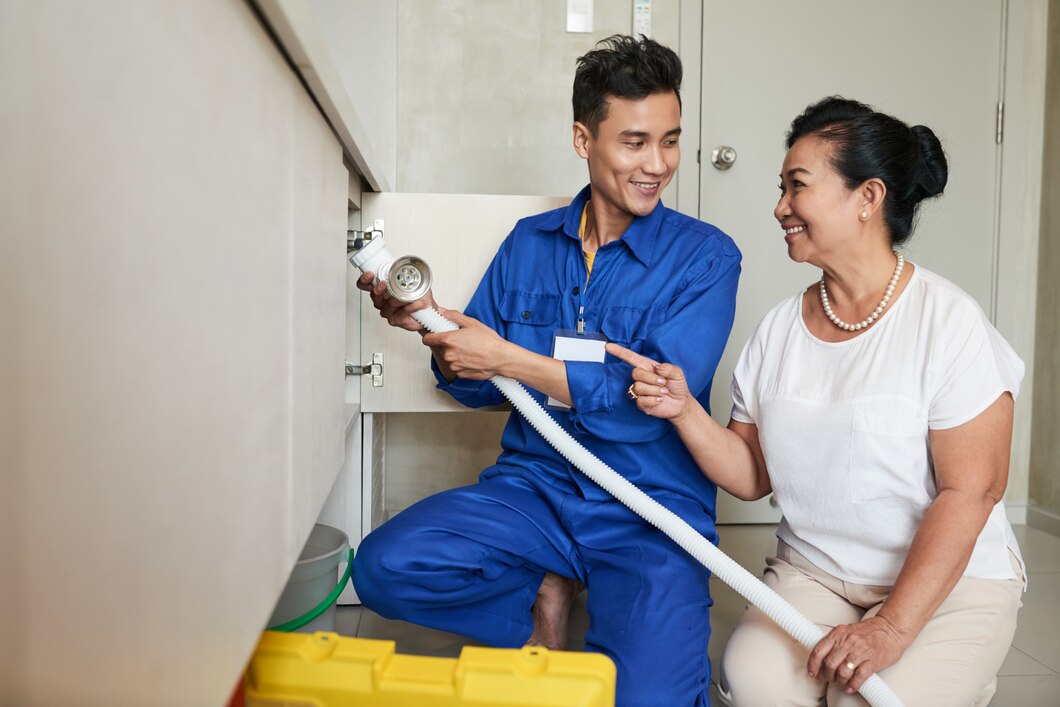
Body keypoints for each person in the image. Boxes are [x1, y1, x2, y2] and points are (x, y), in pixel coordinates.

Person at [351, 35, 741, 706]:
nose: (658, 164)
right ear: (582, 138)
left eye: (670, 141)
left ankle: (604, 604)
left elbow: (642, 400)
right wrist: (437, 331)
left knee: (651, 697)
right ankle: (540, 586)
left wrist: (506, 355)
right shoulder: (529, 243)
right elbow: (476, 384)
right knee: (385, 566)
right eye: (635, 142)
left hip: (648, 508)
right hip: (536, 490)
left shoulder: (706, 259)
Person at [610, 96, 1026, 706]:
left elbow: (973, 492)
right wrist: (684, 412)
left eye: (796, 187)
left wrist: (889, 629)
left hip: (952, 581)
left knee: (869, 698)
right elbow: (751, 476)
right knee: (753, 684)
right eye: (781, 188)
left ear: (868, 197)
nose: (780, 208)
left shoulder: (949, 323)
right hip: (818, 575)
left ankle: (959, 672)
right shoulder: (779, 330)